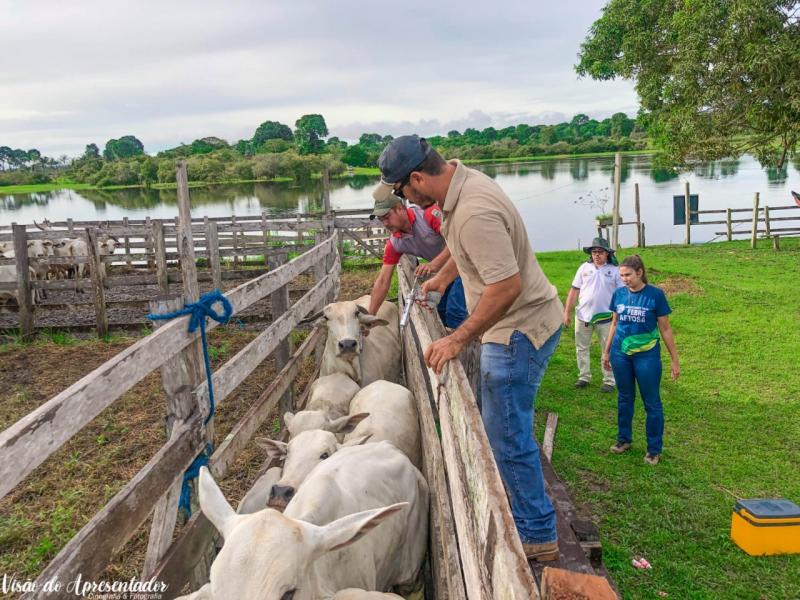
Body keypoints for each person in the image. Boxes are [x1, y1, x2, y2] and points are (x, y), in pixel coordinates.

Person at [378, 135, 563, 561]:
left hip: (518, 328)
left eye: (403, 190)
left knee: (507, 434)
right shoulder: (459, 190)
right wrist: (443, 278)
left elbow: (506, 285)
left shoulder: (474, 210)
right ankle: (522, 510)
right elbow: (473, 251)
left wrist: (458, 337)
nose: (404, 199)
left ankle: (536, 533)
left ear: (418, 178)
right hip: (511, 324)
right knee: (500, 422)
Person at [602, 255, 680, 465]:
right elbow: (614, 323)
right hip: (620, 354)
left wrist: (675, 359)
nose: (624, 279)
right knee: (624, 398)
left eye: (628, 275)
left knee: (652, 403)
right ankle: (623, 439)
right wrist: (607, 351)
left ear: (640, 273)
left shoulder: (655, 295)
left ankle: (654, 449)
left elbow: (665, 328)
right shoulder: (618, 294)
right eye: (621, 275)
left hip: (647, 356)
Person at [367, 184, 467, 328]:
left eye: (387, 217)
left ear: (400, 208)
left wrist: (434, 264)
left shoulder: (428, 214)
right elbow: (383, 281)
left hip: (465, 262)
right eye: (381, 220)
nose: (385, 223)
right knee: (441, 311)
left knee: (455, 312)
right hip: (445, 271)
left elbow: (457, 240)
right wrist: (370, 317)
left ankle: (464, 346)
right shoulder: (395, 243)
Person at [563, 237, 622, 393]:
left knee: (607, 349)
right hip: (583, 316)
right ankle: (584, 376)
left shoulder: (615, 270)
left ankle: (609, 380)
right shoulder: (584, 268)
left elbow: (622, 293)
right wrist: (567, 312)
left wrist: (620, 314)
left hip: (607, 317)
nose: (597, 255)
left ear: (607, 253)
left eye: (600, 252)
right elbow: (574, 290)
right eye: (594, 252)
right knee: (581, 347)